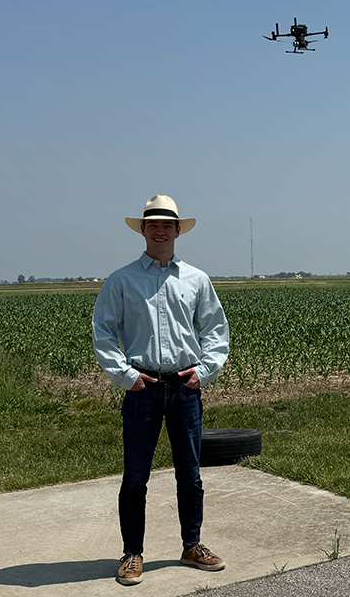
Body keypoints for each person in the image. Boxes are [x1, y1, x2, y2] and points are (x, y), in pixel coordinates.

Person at [92, 195, 230, 586]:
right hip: (143, 389)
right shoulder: (122, 279)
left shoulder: (196, 279)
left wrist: (204, 371)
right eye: (152, 224)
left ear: (177, 231)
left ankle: (192, 545)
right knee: (135, 475)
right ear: (142, 230)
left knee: (190, 474)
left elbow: (216, 330)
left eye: (167, 224)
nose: (159, 230)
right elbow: (103, 330)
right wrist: (124, 375)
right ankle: (132, 553)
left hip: (185, 389)